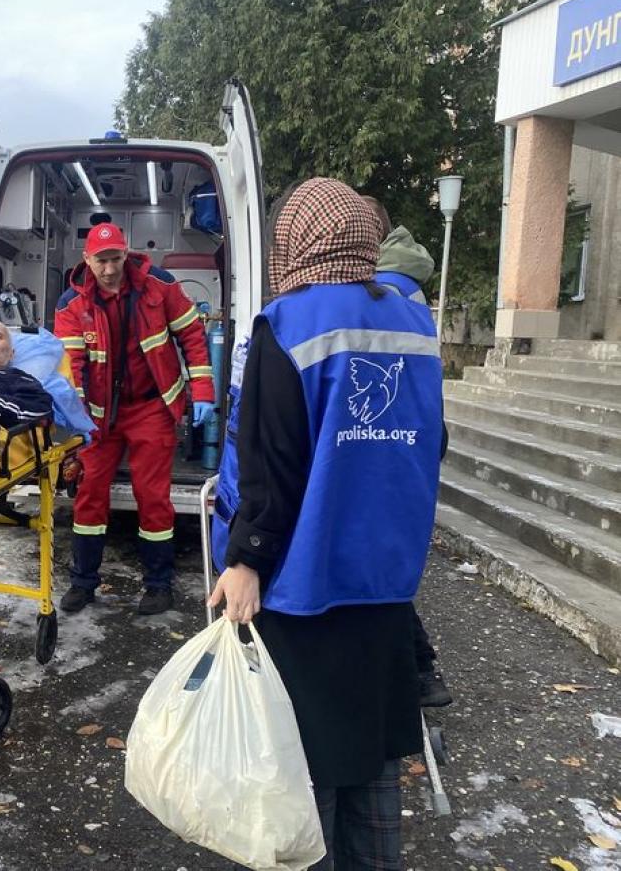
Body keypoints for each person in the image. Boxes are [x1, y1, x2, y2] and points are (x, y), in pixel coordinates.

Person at [209, 178, 445, 871]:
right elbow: (433, 442)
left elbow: (269, 459)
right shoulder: (415, 324)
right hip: (386, 581)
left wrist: (245, 558)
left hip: (304, 584)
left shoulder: (288, 322)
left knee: (303, 770)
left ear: (296, 241)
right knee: (371, 761)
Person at [55, 221, 215, 616]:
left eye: (115, 259)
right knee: (89, 496)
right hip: (98, 415)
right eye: (101, 261)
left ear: (126, 254)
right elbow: (71, 367)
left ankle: (159, 585)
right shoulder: (70, 304)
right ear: (86, 259)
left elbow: (192, 336)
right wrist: (75, 418)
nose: (109, 269)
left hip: (151, 407)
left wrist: (203, 392)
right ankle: (83, 582)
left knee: (153, 497)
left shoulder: (160, 285)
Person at [364, 194, 454, 708]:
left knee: (376, 562)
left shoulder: (386, 287)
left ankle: (420, 669)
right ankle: (418, 669)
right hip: (413, 427)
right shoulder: (405, 280)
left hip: (390, 432)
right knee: (383, 558)